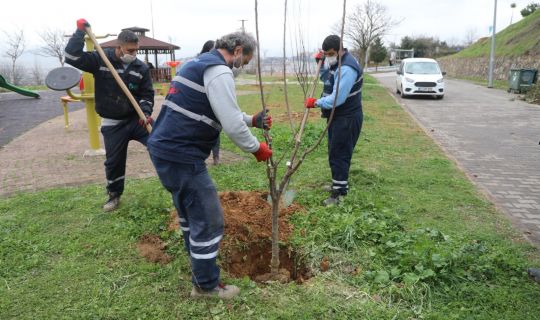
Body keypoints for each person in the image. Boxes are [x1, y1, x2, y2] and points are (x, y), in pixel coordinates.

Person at [147, 31, 272, 300]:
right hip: (181, 154)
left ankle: (197, 265)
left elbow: (216, 108)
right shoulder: (218, 70)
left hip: (166, 149)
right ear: (237, 50)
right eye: (245, 60)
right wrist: (256, 148)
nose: (244, 66)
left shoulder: (198, 63)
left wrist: (252, 120)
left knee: (189, 212)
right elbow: (230, 122)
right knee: (209, 218)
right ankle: (205, 286)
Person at [65, 19, 154, 212]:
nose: (133, 54)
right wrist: (79, 33)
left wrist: (145, 112)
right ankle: (114, 196)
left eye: (135, 50)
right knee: (114, 162)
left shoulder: (141, 68)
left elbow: (147, 95)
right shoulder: (101, 60)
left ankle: (174, 185)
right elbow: (71, 56)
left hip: (136, 119)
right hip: (113, 123)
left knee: (159, 144)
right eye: (130, 50)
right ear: (119, 47)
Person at [304, 35, 363, 206]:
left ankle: (338, 194)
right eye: (325, 54)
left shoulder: (347, 68)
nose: (328, 56)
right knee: (335, 151)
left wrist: (316, 102)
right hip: (338, 116)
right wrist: (320, 65)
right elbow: (328, 79)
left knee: (340, 153)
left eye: (330, 54)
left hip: (347, 118)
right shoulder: (337, 63)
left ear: (339, 50)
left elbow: (337, 97)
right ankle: (338, 184)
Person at [199, 40, 221, 165]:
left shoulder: (218, 66)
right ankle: (200, 156)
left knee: (216, 129)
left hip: (214, 102)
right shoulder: (200, 63)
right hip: (202, 103)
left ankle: (216, 156)